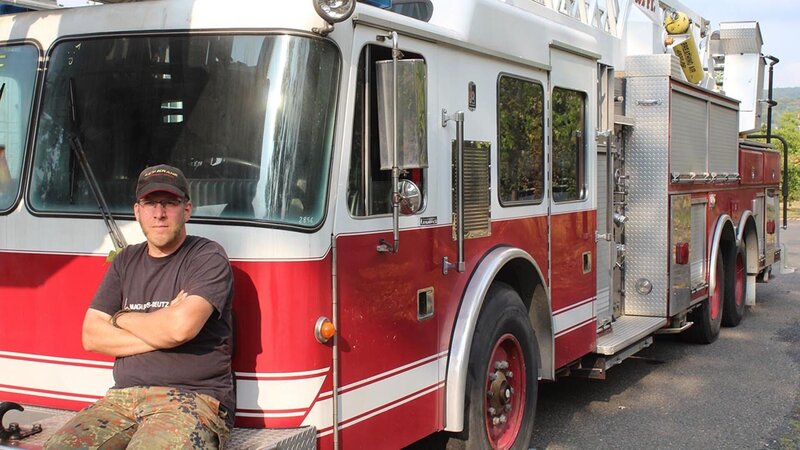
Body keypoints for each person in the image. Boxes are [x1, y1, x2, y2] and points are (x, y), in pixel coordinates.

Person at [46, 164, 235, 449]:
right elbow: (91, 336)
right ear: (137, 211)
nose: (159, 213)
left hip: (192, 400)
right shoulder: (125, 261)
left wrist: (120, 318)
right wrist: (157, 327)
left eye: (169, 203)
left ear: (187, 210)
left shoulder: (207, 256)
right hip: (121, 400)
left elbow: (179, 329)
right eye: (150, 203)